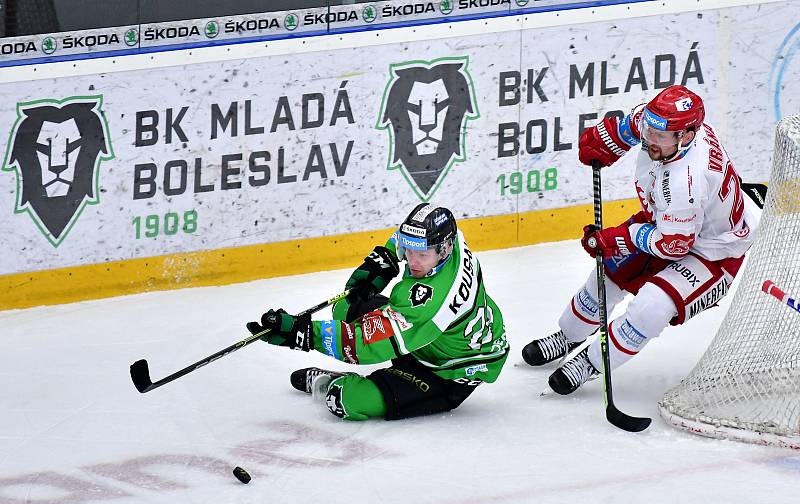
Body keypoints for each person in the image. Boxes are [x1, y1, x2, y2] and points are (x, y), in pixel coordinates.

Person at [522, 85, 759, 395]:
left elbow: (674, 245)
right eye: (650, 129)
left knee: (651, 307)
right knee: (606, 277)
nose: (649, 140)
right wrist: (608, 140)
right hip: (671, 224)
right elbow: (635, 125)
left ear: (686, 135)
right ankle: (569, 336)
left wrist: (619, 237)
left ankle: (592, 363)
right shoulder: (666, 126)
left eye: (659, 136)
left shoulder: (685, 183)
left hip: (713, 253)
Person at [247, 203, 509, 420]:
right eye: (409, 251)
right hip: (430, 338)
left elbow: (363, 346)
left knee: (343, 400)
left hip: (448, 372)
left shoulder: (432, 299)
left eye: (422, 255)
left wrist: (304, 334)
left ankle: (333, 380)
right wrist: (384, 260)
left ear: (443, 249)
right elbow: (401, 240)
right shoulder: (453, 242)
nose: (413, 260)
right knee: (345, 307)